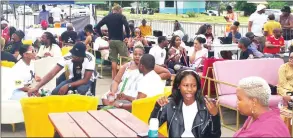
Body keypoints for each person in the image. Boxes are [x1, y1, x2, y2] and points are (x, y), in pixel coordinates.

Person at [150, 69, 221, 137]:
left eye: (194, 86)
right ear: (178, 86)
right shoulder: (170, 104)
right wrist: (157, 107)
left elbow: (215, 135)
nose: (190, 89)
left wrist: (215, 116)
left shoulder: (207, 106)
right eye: (186, 85)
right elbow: (153, 126)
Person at [102, 48, 170, 110]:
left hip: (134, 97)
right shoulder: (127, 66)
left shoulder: (148, 69)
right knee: (106, 98)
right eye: (135, 54)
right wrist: (113, 92)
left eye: (140, 55)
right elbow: (116, 81)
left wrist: (120, 105)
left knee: (111, 107)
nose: (137, 56)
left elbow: (138, 103)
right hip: (124, 94)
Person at [28, 42, 96, 96]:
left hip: (86, 80)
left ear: (82, 56)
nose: (73, 58)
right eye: (73, 55)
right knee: (55, 93)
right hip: (73, 78)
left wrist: (68, 85)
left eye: (76, 57)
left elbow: (85, 80)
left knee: (80, 92)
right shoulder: (68, 57)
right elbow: (52, 73)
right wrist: (37, 87)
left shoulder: (90, 58)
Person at [95, 5, 130, 79]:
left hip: (111, 41)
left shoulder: (107, 17)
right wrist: (127, 36)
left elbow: (97, 27)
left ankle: (114, 78)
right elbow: (127, 26)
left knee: (113, 60)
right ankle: (122, 77)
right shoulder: (121, 16)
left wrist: (101, 36)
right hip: (120, 40)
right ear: (119, 10)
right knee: (124, 58)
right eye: (121, 10)